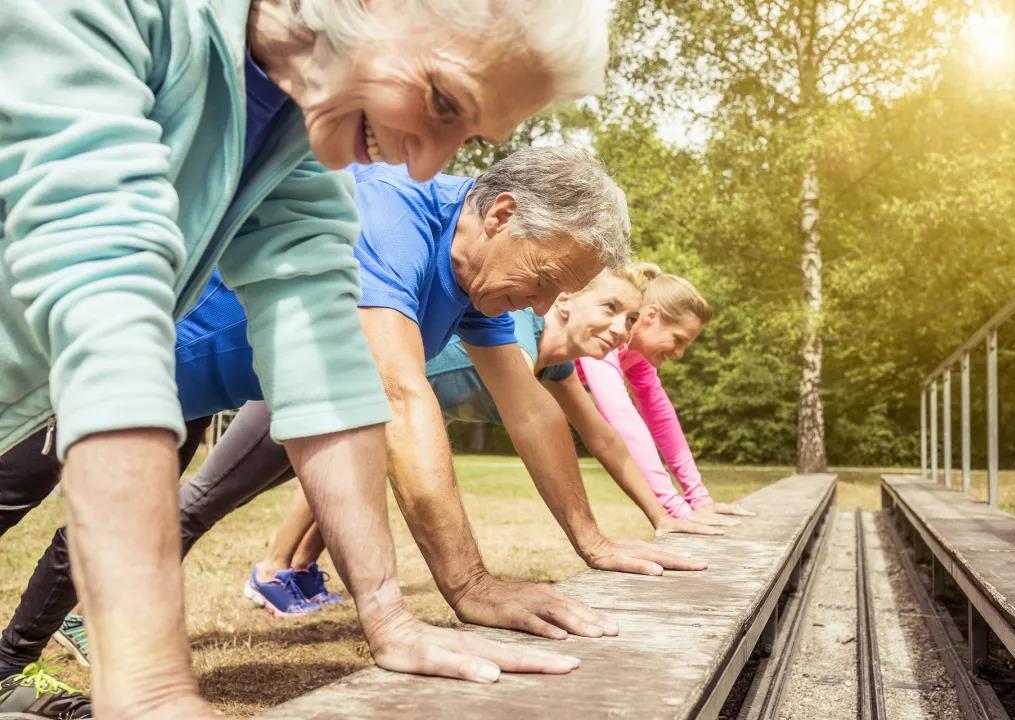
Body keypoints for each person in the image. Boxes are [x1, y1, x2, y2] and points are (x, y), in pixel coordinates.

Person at [0, 1, 610, 716]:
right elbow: (102, 288)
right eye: (442, 101)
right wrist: (152, 689)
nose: (427, 162)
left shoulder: (304, 128)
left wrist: (388, 616)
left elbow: (323, 353)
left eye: (465, 133)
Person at [250, 266, 724, 613]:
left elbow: (604, 439)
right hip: (353, 385)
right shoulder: (516, 331)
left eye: (629, 319)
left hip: (413, 409)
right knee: (336, 473)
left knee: (361, 475)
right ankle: (270, 570)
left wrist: (662, 518)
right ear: (564, 301)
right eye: (611, 310)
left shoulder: (556, 366)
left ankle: (300, 571)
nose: (621, 332)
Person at [576, 266, 755, 526]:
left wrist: (700, 499)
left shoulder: (636, 354)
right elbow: (622, 419)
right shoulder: (607, 334)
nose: (679, 354)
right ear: (651, 316)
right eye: (678, 339)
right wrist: (677, 508)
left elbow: (661, 418)